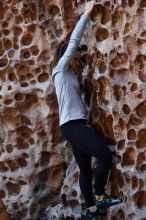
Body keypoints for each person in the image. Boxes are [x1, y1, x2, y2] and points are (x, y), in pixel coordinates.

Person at [52, 1, 122, 219]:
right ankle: (101, 196)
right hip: (72, 126)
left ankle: (91, 209)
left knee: (85, 169)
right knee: (104, 156)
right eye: (75, 58)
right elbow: (73, 43)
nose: (77, 62)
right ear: (67, 57)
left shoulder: (69, 75)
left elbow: (72, 50)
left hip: (75, 125)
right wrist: (86, 14)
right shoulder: (60, 70)